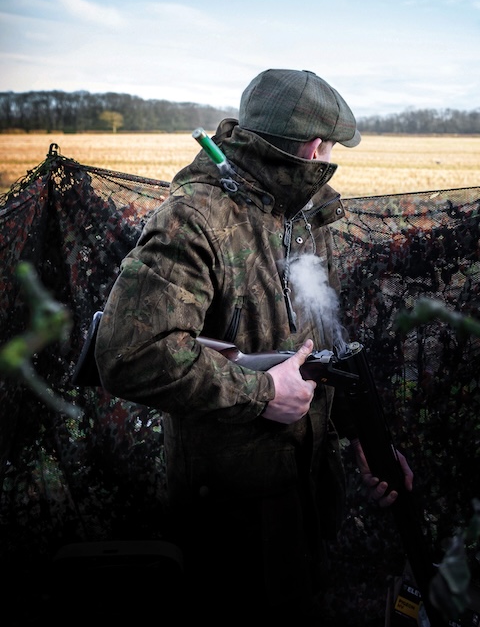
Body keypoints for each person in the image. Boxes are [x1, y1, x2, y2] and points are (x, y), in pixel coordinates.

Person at [95, 68, 412, 623]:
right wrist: (261, 392)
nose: (330, 159)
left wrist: (364, 440)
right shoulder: (195, 218)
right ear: (314, 146)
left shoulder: (304, 217)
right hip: (228, 520)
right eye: (331, 148)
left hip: (303, 498)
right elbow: (129, 354)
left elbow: (316, 351)